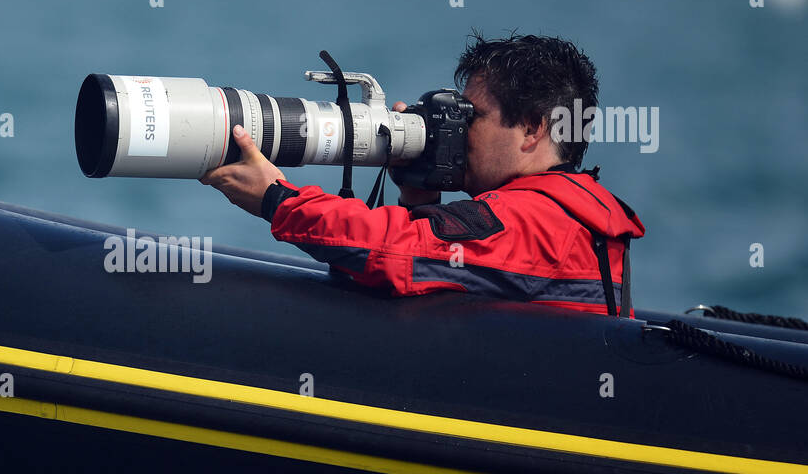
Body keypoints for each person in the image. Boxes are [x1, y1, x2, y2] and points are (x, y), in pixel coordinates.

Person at [200, 32, 645, 316]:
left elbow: (392, 253)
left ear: (531, 128)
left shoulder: (535, 222)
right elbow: (450, 268)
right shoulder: (576, 213)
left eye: (474, 116)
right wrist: (419, 197)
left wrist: (276, 199)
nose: (459, 130)